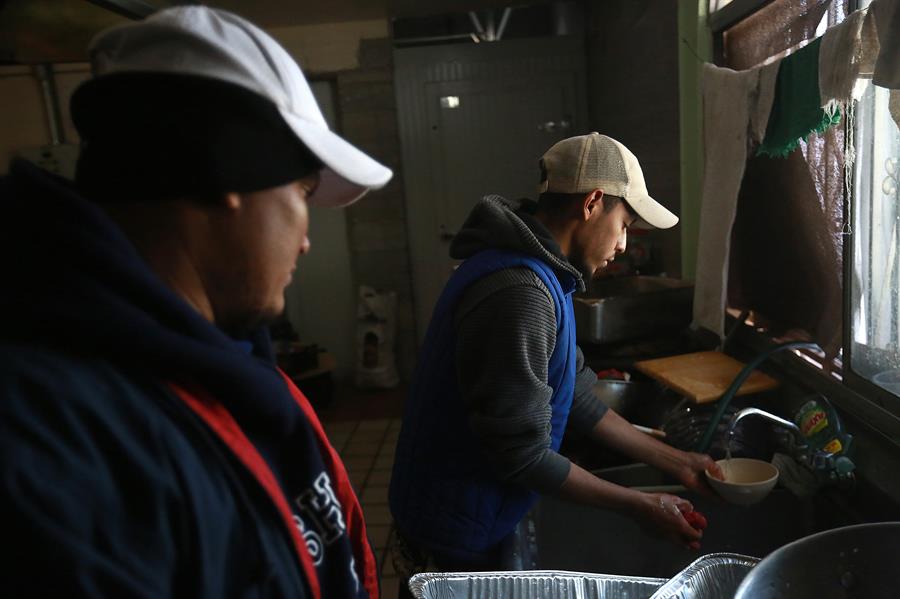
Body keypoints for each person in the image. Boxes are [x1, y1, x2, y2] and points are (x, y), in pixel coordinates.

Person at [0, 7, 392, 598]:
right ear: (225, 170)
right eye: (303, 191)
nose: (307, 238)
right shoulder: (51, 437)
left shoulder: (230, 363)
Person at [389, 132, 723, 593]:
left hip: (481, 515)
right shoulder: (520, 291)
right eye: (624, 224)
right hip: (454, 532)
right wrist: (639, 505)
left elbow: (578, 394)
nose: (624, 244)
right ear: (592, 203)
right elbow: (521, 455)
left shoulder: (545, 273)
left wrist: (677, 461)